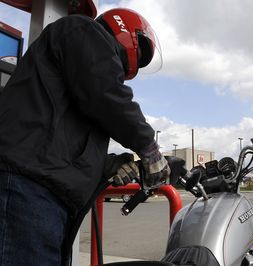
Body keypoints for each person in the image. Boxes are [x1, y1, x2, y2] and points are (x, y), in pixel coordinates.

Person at [0, 8, 169, 265]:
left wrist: (109, 165)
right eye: (142, 52)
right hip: (28, 188)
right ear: (129, 33)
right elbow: (107, 93)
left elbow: (66, 142)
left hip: (42, 195)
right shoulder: (83, 30)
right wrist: (148, 146)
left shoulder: (80, 85)